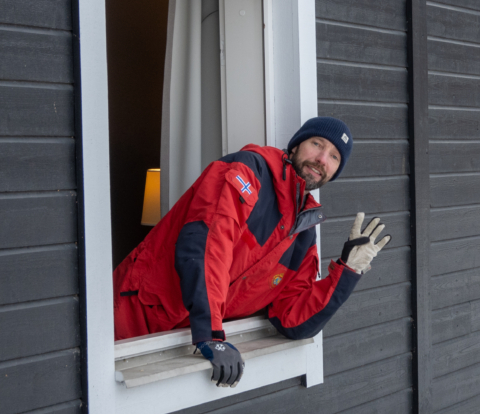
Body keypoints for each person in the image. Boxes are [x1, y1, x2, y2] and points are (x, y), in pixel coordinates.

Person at [113, 117, 390, 388]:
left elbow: (292, 318)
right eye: (317, 144)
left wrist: (347, 271)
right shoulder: (249, 171)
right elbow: (209, 245)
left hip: (182, 343)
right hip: (134, 314)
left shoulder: (303, 229)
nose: (322, 159)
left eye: (334, 158)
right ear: (294, 146)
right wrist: (211, 334)